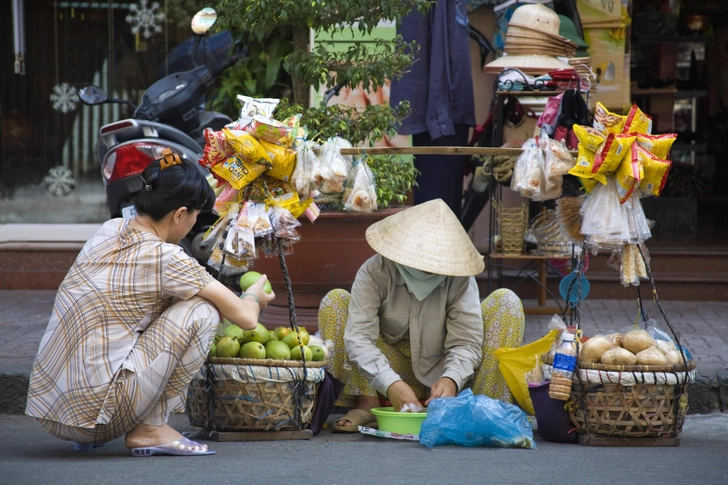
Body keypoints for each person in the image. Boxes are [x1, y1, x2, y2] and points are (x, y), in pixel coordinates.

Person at [25, 149, 275, 456]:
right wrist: (254, 294)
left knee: (165, 305)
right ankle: (150, 429)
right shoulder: (167, 258)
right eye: (196, 216)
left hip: (51, 410)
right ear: (180, 214)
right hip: (94, 418)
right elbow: (246, 318)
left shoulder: (110, 229)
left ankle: (110, 428)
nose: (194, 222)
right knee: (202, 310)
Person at [318, 199, 525, 431]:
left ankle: (483, 410)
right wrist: (391, 383)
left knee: (506, 302)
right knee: (335, 302)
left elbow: (467, 342)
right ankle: (368, 404)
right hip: (390, 367)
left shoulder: (458, 277)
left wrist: (452, 378)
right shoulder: (376, 271)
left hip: (441, 370)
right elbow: (359, 338)